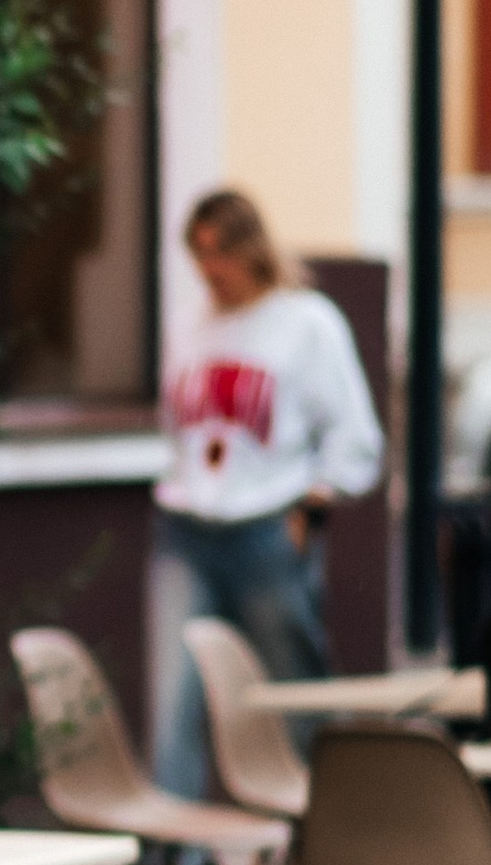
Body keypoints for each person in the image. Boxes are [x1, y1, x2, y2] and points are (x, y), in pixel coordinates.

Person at [154, 186, 384, 804]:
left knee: (292, 689)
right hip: (188, 525)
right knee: (176, 694)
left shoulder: (305, 322)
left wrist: (316, 500)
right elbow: (174, 428)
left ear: (251, 249)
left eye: (220, 252)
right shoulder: (190, 323)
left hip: (267, 530)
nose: (210, 270)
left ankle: (324, 838)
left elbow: (355, 433)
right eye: (198, 254)